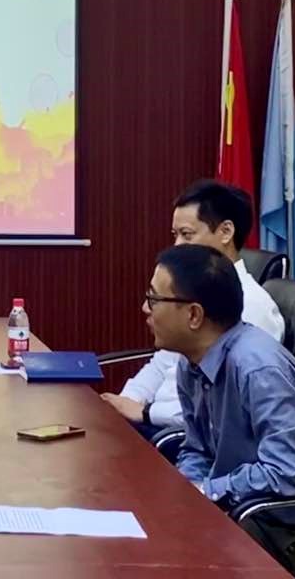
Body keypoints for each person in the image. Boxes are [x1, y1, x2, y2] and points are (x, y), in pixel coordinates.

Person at [149, 244, 295, 573]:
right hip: (245, 511)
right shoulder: (193, 362)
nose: (146, 309)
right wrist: (187, 493)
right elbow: (198, 449)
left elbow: (289, 470)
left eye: (155, 299)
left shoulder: (258, 369)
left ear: (194, 315)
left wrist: (208, 491)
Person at [101, 180, 285, 435]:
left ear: (226, 232)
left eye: (187, 235)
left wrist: (144, 412)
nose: (177, 245)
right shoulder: (190, 291)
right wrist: (126, 403)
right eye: (175, 235)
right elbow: (162, 362)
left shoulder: (250, 305)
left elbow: (225, 410)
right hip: (155, 421)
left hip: (181, 433)